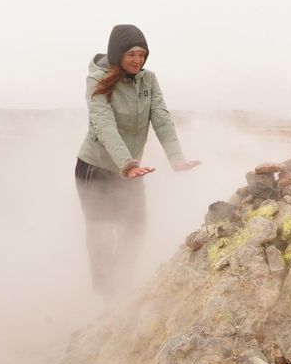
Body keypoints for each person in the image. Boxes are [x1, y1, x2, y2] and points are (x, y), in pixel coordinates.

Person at [75, 24, 200, 295]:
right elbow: (104, 126)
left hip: (131, 169)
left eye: (142, 54)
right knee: (101, 235)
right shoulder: (97, 80)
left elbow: (162, 118)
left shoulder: (148, 80)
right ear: (118, 53)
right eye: (131, 53)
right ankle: (104, 297)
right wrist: (127, 164)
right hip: (95, 168)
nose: (138, 60)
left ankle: (121, 287)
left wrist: (176, 158)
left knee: (136, 230)